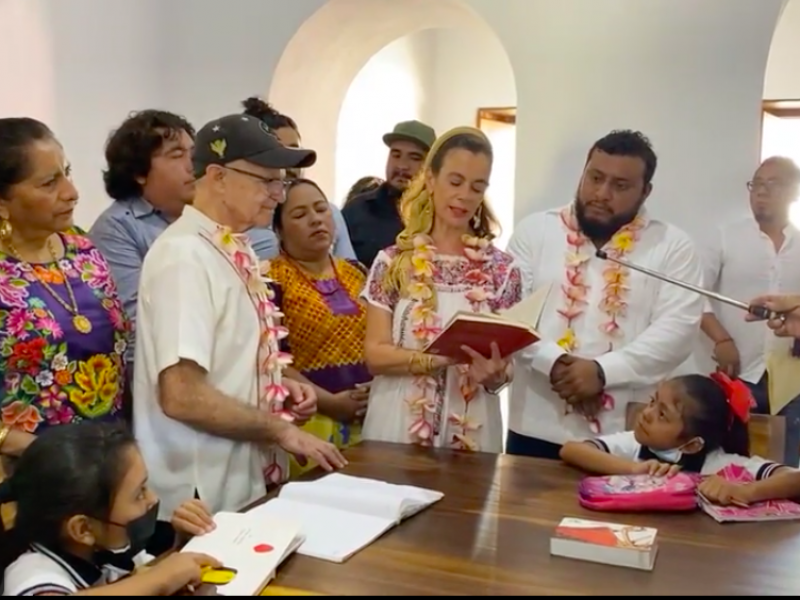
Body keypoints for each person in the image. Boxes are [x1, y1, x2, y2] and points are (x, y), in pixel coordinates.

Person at [133, 114, 347, 553]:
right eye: (266, 180)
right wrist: (280, 430)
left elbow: (222, 363)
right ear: (217, 176)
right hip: (198, 495)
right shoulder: (183, 256)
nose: (277, 194)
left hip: (240, 481)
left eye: (282, 181)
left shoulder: (230, 248)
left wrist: (276, 386)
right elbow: (181, 394)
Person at [506, 130, 704, 460]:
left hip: (624, 437)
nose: (601, 193)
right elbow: (511, 314)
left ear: (645, 191)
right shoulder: (535, 231)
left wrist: (601, 372)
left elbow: (677, 331)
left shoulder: (672, 246)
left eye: (620, 186)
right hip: (534, 426)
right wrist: (555, 365)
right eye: (594, 178)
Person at [361, 126, 521, 452]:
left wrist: (495, 375)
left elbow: (507, 368)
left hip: (472, 423)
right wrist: (441, 357)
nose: (465, 195)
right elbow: (375, 355)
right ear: (431, 179)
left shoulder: (503, 270)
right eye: (455, 181)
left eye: (478, 187)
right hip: (396, 420)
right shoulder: (392, 262)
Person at [0, 117, 129, 459]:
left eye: (67, 173)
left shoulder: (83, 250)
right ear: (3, 203)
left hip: (108, 463)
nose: (72, 192)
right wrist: (42, 452)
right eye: (48, 183)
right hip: (27, 474)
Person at [0, 422, 220, 596]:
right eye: (139, 493)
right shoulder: (30, 573)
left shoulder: (109, 552)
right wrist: (162, 577)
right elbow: (151, 580)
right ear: (83, 529)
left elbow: (140, 579)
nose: (153, 499)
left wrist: (179, 550)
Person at [559, 372, 799, 506]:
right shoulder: (635, 444)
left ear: (694, 444)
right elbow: (571, 450)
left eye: (662, 414)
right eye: (653, 401)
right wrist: (632, 468)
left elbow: (794, 479)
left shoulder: (721, 465)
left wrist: (745, 491)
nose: (647, 413)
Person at [698, 156, 800, 466]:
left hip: (791, 378)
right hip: (738, 375)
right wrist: (722, 341)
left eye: (773, 184)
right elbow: (695, 295)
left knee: (787, 467)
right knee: (730, 463)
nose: (761, 191)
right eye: (756, 183)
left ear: (794, 192)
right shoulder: (725, 235)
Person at [268, 178, 372, 476]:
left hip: (369, 417)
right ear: (278, 229)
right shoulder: (270, 279)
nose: (315, 219)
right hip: (309, 419)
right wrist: (332, 403)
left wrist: (375, 391)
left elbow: (382, 339)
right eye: (300, 215)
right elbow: (272, 358)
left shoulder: (357, 272)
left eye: (321, 209)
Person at [89, 110, 196, 366]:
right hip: (157, 372)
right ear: (139, 172)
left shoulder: (205, 218)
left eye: (193, 152)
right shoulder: (116, 228)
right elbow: (137, 323)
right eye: (177, 154)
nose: (193, 164)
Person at [241, 97, 355, 260]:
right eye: (279, 153)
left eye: (294, 151)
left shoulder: (328, 213)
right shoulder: (242, 218)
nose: (289, 163)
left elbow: (351, 272)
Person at [342, 120, 436, 268]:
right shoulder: (357, 210)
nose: (402, 166)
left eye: (415, 158)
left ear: (431, 166)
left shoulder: (440, 216)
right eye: (396, 155)